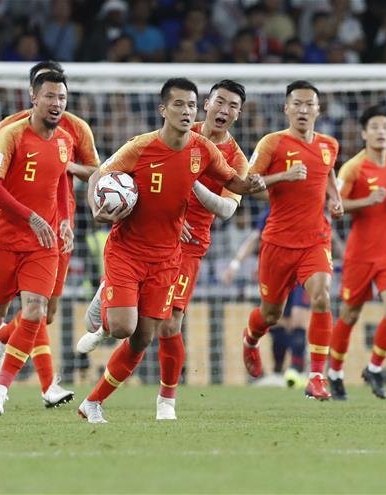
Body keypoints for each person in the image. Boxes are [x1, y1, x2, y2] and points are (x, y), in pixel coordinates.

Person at [76, 78, 266, 424]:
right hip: (137, 243)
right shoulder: (163, 138)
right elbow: (101, 175)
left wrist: (191, 186)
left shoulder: (227, 155)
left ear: (239, 114)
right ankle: (112, 308)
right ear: (206, 105)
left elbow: (228, 206)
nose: (224, 110)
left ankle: (162, 400)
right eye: (218, 102)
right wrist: (98, 209)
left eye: (233, 106)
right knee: (126, 327)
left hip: (185, 250)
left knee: (161, 330)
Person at [0, 61, 99, 410]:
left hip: (53, 232)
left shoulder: (72, 133)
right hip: (11, 230)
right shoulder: (11, 129)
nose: (56, 102)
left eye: (62, 96)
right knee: (2, 313)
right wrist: (8, 168)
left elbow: (90, 171)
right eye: (49, 95)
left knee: (42, 310)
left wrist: (65, 217)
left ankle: (8, 386)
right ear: (33, 95)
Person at [241, 80, 344, 401]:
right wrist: (281, 176)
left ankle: (316, 377)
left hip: (315, 240)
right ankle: (250, 339)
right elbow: (247, 183)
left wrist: (336, 199)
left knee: (322, 297)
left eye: (308, 104)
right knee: (271, 315)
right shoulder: (272, 143)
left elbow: (327, 173)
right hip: (277, 243)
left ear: (317, 109)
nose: (302, 109)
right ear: (286, 109)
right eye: (296, 104)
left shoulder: (330, 145)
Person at [328, 106, 386, 401]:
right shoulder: (353, 168)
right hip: (360, 253)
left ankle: (374, 367)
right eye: (374, 126)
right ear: (364, 133)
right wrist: (365, 200)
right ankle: (334, 373)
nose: (381, 131)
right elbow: (335, 207)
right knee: (350, 314)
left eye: (385, 126)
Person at [222, 206, 311, 389]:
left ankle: (297, 371)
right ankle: (279, 372)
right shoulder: (275, 206)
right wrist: (236, 263)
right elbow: (255, 237)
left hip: (303, 269)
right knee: (277, 321)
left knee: (298, 321)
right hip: (279, 269)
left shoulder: (310, 202)